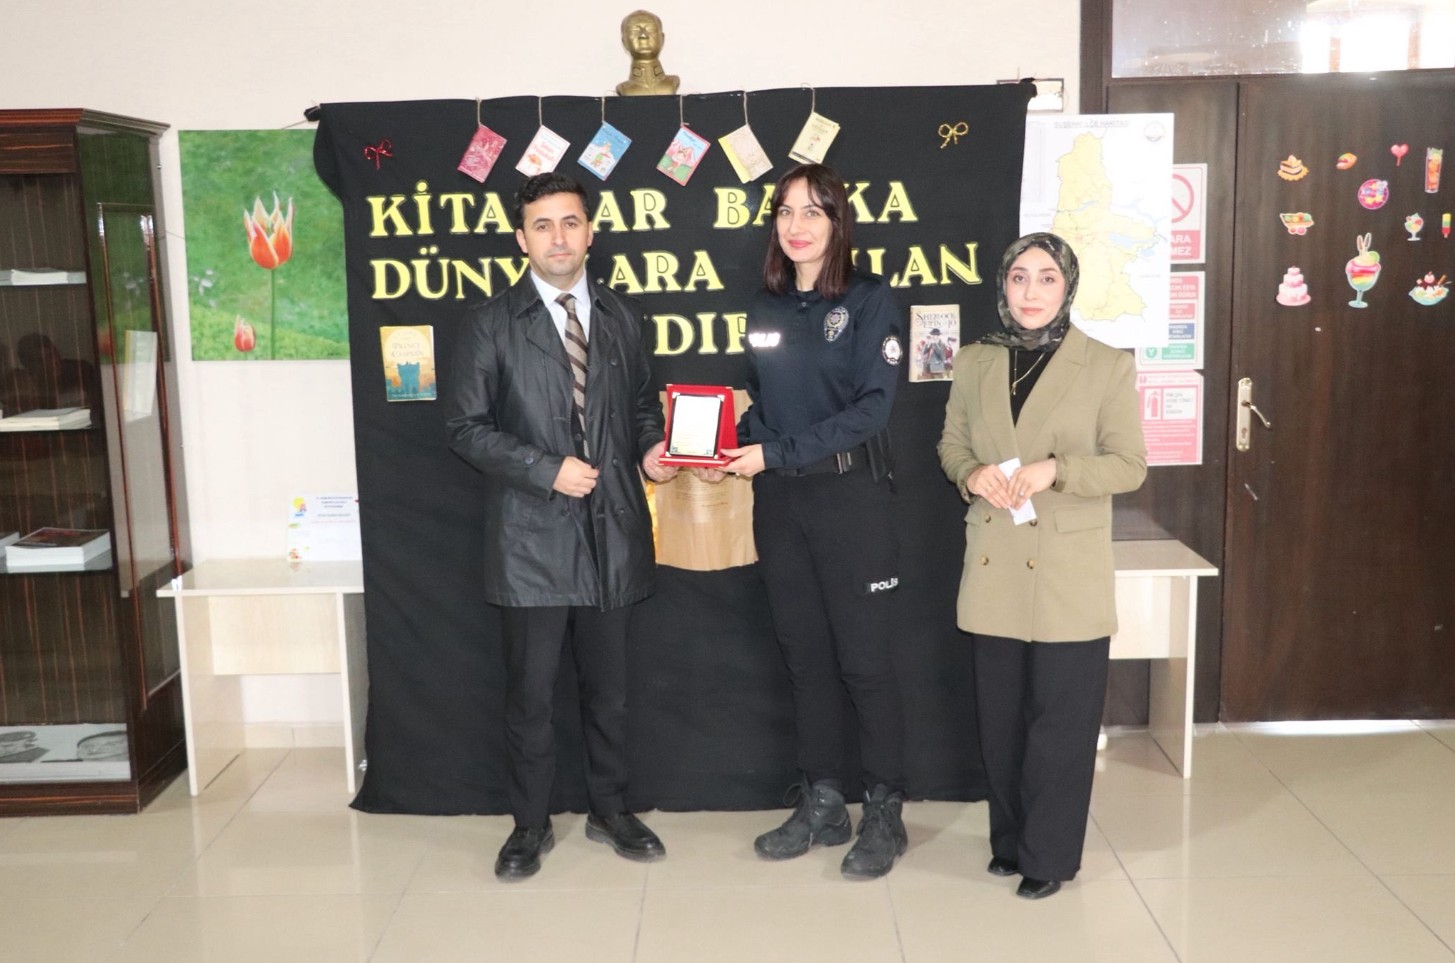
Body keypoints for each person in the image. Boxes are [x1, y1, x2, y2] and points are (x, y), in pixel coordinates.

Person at [446, 171, 677, 881]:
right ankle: (529, 824)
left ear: (590, 232)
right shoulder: (490, 323)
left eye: (570, 222)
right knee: (532, 696)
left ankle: (611, 809)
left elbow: (641, 407)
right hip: (530, 540)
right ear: (521, 239)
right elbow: (464, 427)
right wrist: (544, 469)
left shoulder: (621, 316)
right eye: (542, 225)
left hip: (612, 532)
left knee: (610, 693)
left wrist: (651, 451)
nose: (558, 238)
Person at [707, 162, 908, 880]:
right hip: (780, 505)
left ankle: (884, 810)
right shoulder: (764, 307)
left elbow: (871, 410)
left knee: (866, 664)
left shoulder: (869, 300)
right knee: (806, 660)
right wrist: (727, 444)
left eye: (813, 212)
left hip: (850, 501)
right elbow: (765, 404)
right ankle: (823, 800)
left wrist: (773, 451)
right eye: (785, 212)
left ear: (836, 222)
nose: (797, 226)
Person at [937, 232, 1146, 899]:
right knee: (999, 720)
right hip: (995, 557)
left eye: (1046, 278)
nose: (1031, 291)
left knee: (1059, 722)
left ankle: (1048, 856)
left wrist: (1056, 469)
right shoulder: (975, 360)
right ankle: (1009, 841)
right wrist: (970, 474)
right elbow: (951, 444)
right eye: (1019, 277)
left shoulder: (1106, 365)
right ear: (1002, 284)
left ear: (1068, 286)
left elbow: (1129, 465)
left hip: (1066, 568)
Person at [615, 10, 679, 96]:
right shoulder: (624, 89)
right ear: (624, 42)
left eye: (650, 29)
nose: (643, 35)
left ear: (662, 39)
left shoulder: (671, 83)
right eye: (635, 30)